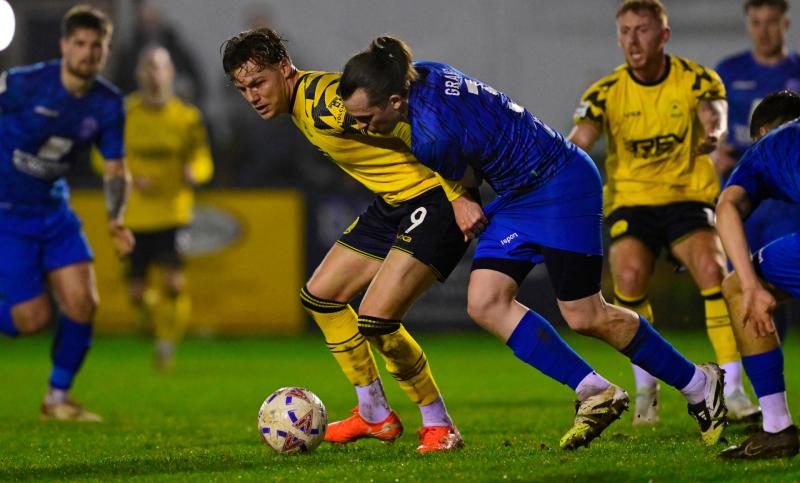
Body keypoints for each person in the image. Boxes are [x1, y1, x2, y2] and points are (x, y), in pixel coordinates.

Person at [339, 36, 727, 448]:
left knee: (585, 314)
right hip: (518, 194)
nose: (361, 126)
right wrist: (462, 196)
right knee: (486, 302)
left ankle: (700, 384)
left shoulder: (428, 135)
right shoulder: (428, 71)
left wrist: (463, 201)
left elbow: (462, 177)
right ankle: (594, 390)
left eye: (365, 117)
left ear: (397, 101)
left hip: (560, 184)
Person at [221, 28, 487, 453]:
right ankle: (375, 414)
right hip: (396, 202)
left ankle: (439, 425)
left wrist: (459, 196)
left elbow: (416, 126)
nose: (252, 96)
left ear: (284, 67)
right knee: (321, 296)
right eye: (243, 89)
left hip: (435, 197)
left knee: (377, 320)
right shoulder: (305, 108)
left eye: (258, 82)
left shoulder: (327, 104)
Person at [568, 0, 759, 424]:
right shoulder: (605, 92)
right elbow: (578, 139)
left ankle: (732, 388)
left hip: (687, 197)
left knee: (713, 270)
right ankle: (646, 391)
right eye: (626, 31)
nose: (633, 40)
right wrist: (559, 161)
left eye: (643, 30)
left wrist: (713, 134)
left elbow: (717, 115)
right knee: (629, 278)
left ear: (664, 36)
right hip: (632, 200)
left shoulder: (695, 78)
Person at [0, 5, 133, 421]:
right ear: (63, 46)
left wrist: (116, 219)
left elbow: (115, 170)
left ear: (106, 51)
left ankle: (57, 399)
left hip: (54, 212)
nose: (88, 53)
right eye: (79, 43)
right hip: (8, 214)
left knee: (83, 303)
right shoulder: (23, 84)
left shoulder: (108, 104)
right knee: (32, 319)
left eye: (97, 45)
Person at [716, 90, 800, 459]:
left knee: (736, 287)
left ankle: (777, 428)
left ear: (762, 131)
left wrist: (752, 286)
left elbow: (727, 207)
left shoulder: (766, 149)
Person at [121, 46, 213, 369]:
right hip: (135, 213)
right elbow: (101, 157)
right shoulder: (125, 114)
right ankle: (154, 322)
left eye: (159, 67)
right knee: (136, 293)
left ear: (170, 73)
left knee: (174, 283)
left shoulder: (187, 118)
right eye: (147, 67)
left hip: (174, 211)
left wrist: (195, 172)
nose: (153, 74)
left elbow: (203, 159)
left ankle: (166, 343)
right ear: (138, 74)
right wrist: (129, 177)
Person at [715, 0, 800, 342]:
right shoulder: (729, 70)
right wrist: (714, 150)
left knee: (770, 282)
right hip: (745, 193)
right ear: (748, 25)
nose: (764, 31)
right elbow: (712, 126)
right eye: (757, 22)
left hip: (786, 201)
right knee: (744, 287)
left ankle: (766, 391)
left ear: (785, 24)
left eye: (771, 22)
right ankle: (739, 386)